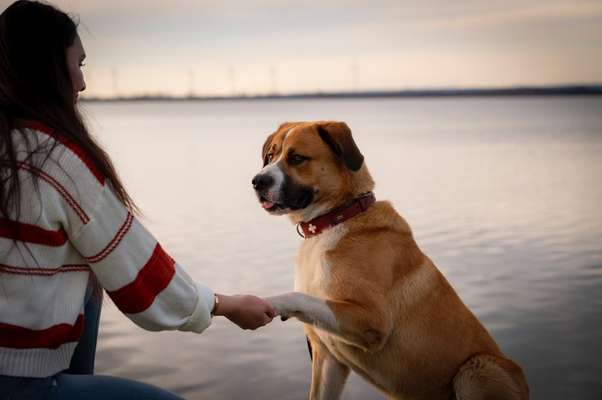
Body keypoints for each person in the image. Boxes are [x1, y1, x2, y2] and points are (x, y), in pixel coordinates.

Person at [0, 1, 276, 399]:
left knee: (87, 277)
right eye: (78, 64)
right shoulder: (54, 158)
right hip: (20, 382)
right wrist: (224, 305)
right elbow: (140, 275)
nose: (82, 83)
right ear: (48, 68)